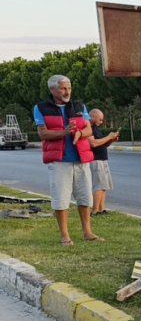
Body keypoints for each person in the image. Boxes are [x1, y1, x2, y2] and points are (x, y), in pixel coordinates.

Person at [34, 74, 102, 246]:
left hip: (81, 160)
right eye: (63, 88)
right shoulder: (41, 108)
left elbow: (88, 130)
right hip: (59, 161)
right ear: (52, 89)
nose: (67, 91)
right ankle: (65, 236)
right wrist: (65, 132)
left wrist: (80, 133)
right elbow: (43, 133)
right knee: (61, 198)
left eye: (69, 87)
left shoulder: (79, 106)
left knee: (85, 197)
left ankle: (88, 232)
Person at [87, 109, 120, 215]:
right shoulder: (88, 127)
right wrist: (108, 136)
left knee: (104, 186)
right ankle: (95, 210)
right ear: (92, 116)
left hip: (103, 159)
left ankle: (102, 209)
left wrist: (111, 140)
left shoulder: (96, 128)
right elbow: (93, 143)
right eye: (100, 119)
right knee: (98, 185)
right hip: (95, 160)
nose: (101, 122)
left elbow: (103, 144)